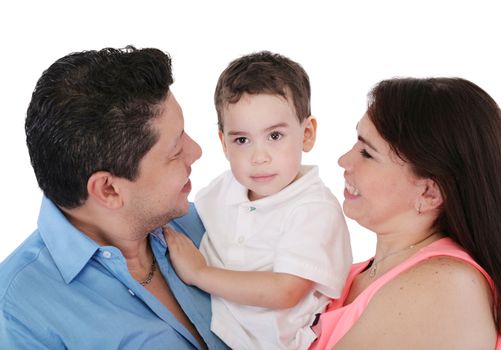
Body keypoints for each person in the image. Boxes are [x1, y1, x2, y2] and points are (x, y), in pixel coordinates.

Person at [0, 46, 228, 349]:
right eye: (175, 151)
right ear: (108, 189)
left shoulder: (210, 223)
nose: (196, 151)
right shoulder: (17, 313)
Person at [310, 78, 501, 349]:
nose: (344, 161)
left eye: (367, 153)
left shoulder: (445, 288)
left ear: (429, 193)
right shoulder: (348, 275)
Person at [165, 51, 352, 350]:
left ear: (307, 134)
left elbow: (285, 291)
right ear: (223, 143)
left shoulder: (313, 209)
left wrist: (200, 273)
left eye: (275, 136)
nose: (259, 157)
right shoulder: (224, 188)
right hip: (215, 329)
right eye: (242, 140)